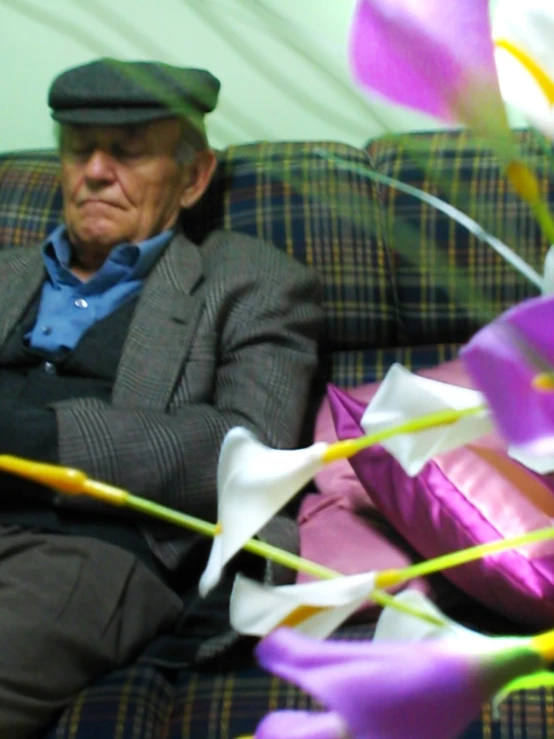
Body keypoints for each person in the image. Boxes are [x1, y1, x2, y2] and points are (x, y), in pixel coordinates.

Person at [0, 58, 322, 736]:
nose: (94, 170)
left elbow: (246, 451)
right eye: (78, 148)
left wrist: (40, 437)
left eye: (126, 152)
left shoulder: (250, 281)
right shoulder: (6, 270)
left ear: (193, 177)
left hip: (86, 542)